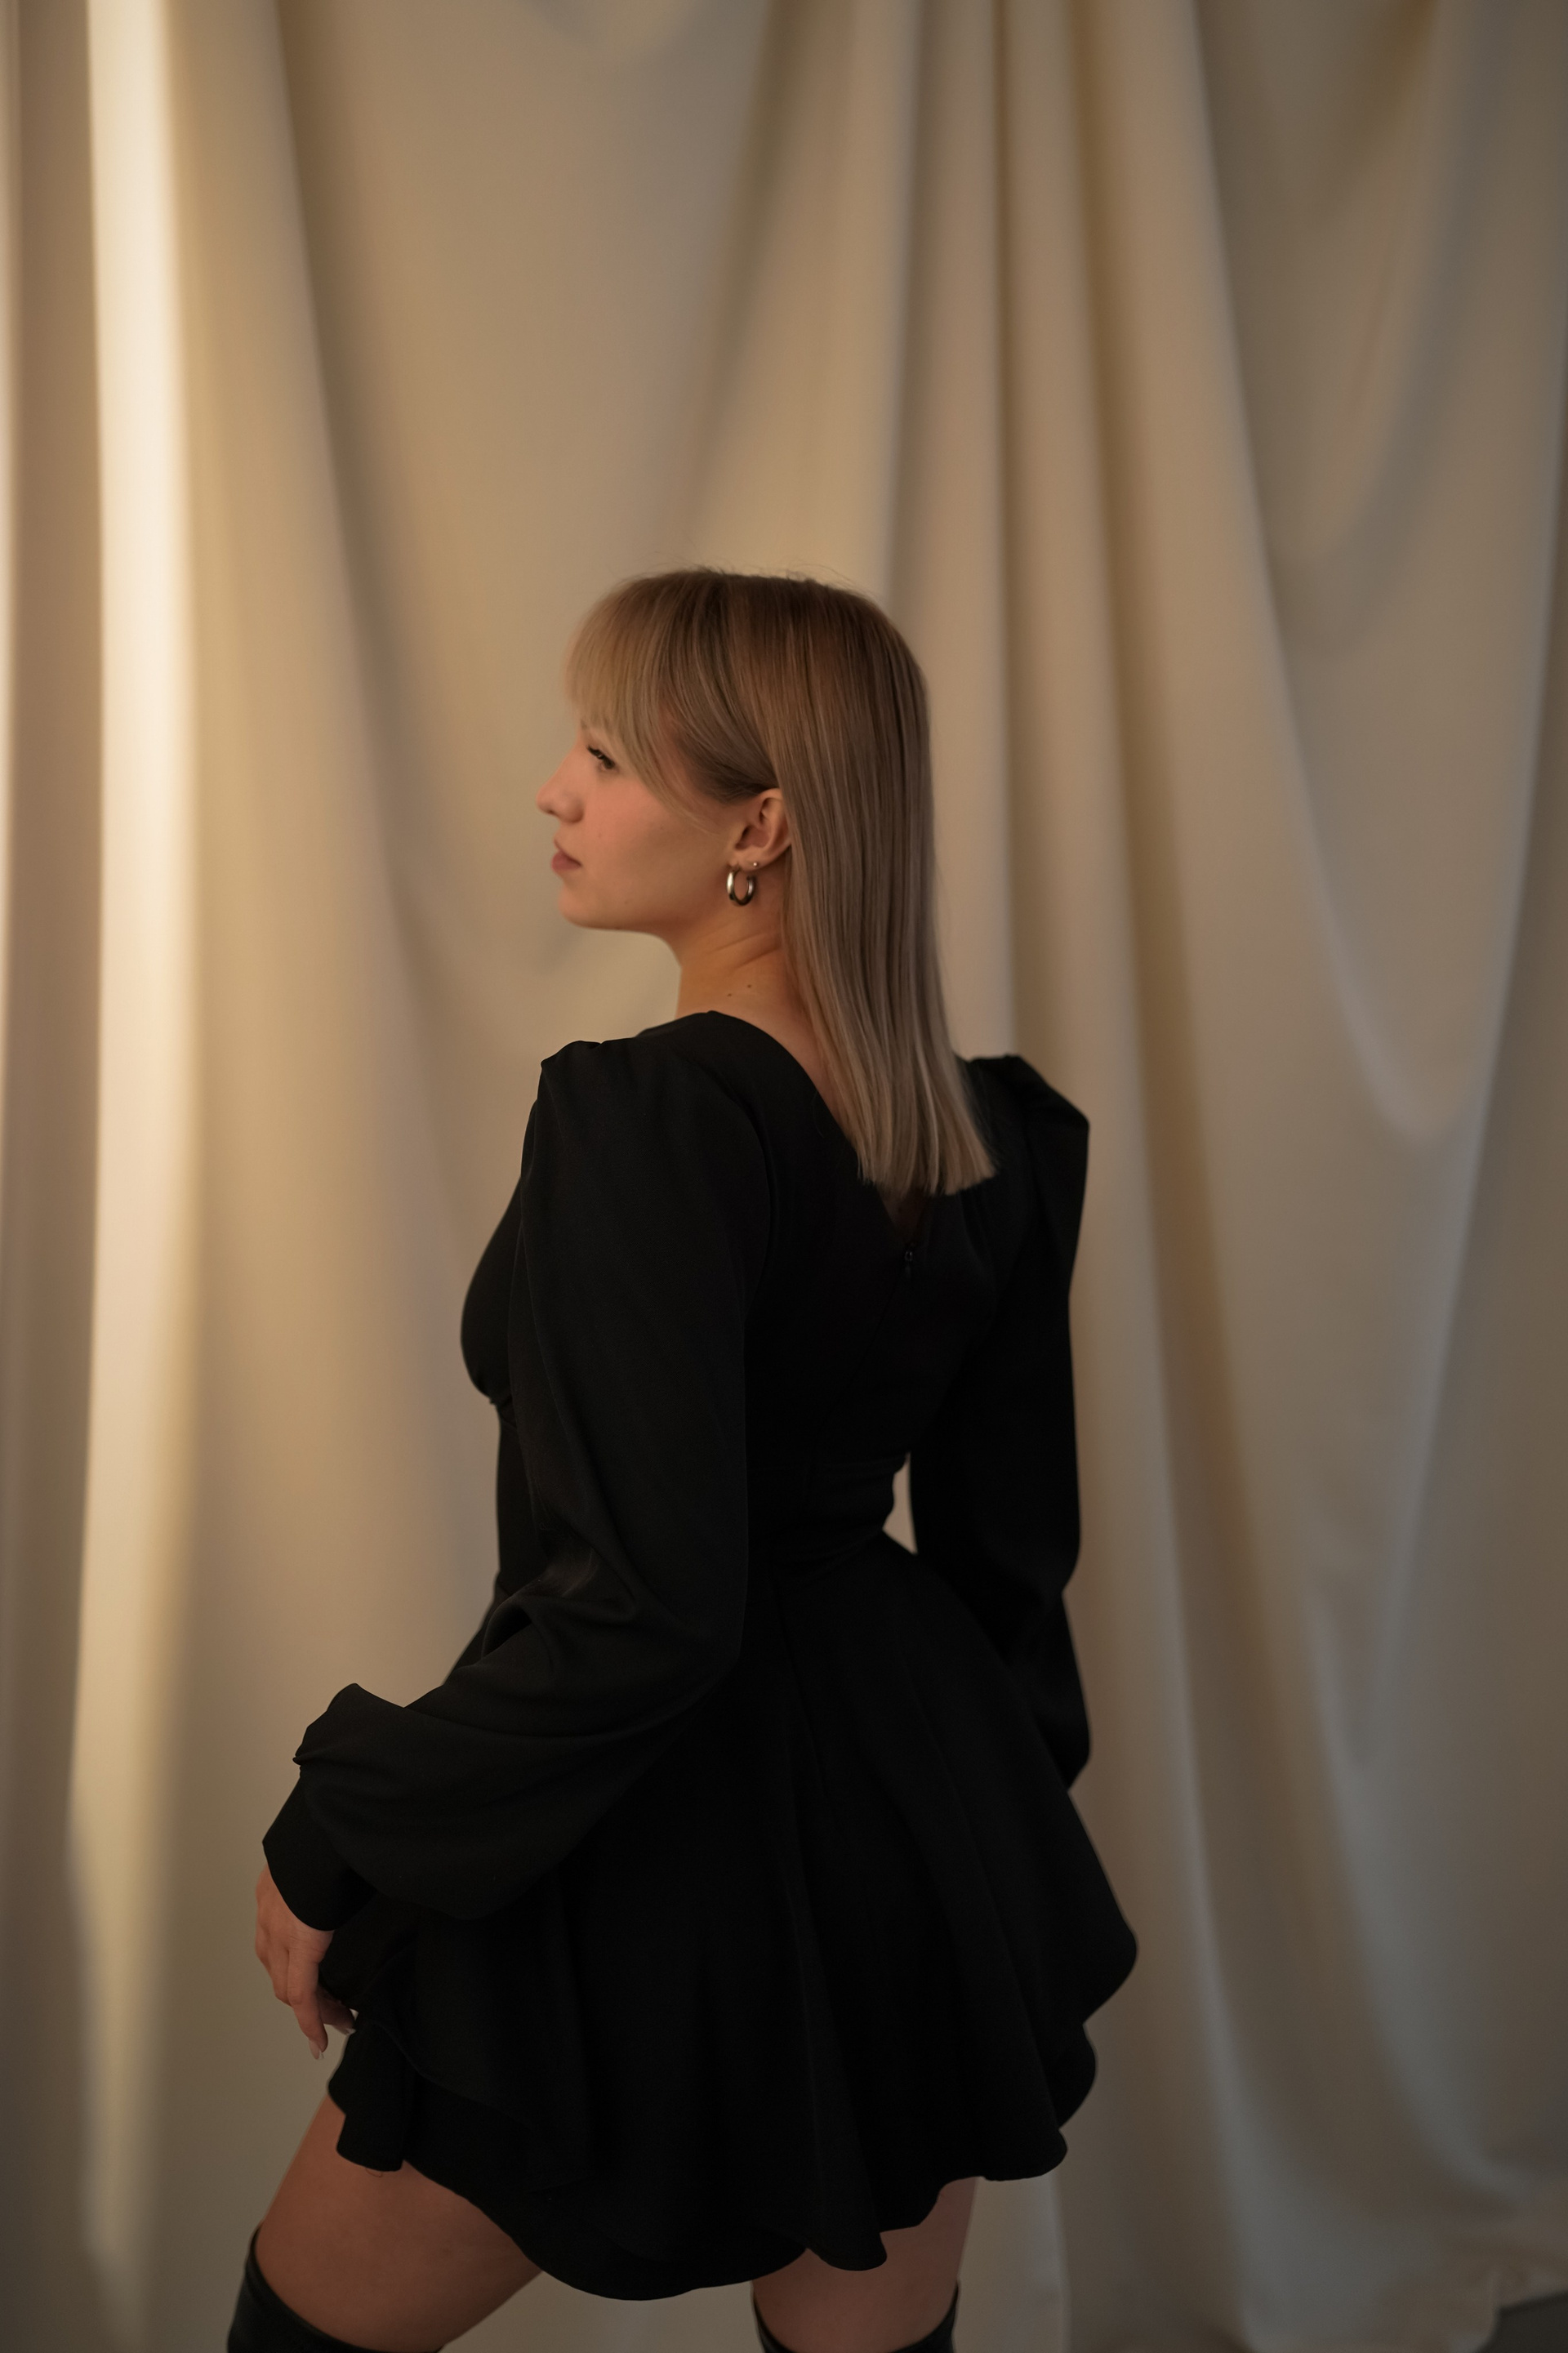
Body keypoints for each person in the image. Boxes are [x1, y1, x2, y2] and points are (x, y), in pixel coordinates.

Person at [231, 570, 1136, 2353]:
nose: (556, 789)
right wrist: (978, 1846)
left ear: (761, 827)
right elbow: (1008, 1572)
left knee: (300, 2334)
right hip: (914, 1826)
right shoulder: (990, 1135)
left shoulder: (649, 1120)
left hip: (647, 1837)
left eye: (606, 754)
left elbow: (639, 1609)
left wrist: (339, 1825)